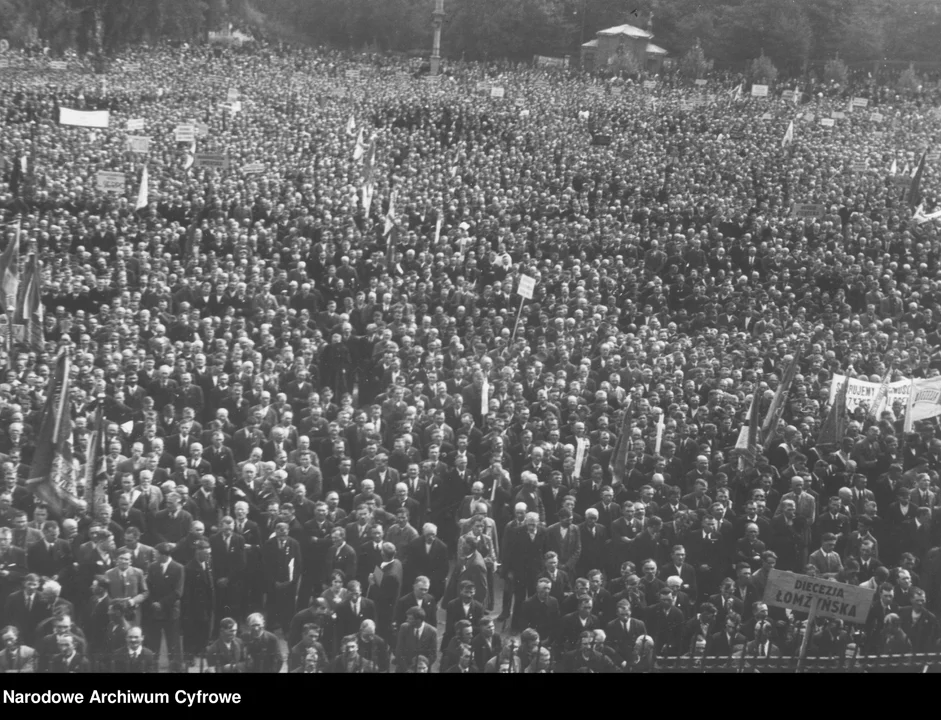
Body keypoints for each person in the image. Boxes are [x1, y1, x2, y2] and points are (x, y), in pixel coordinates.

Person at [142, 543, 183, 672]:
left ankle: (175, 669)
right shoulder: (152, 567)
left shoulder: (178, 568)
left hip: (171, 612)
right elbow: (148, 587)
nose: (154, 556)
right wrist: (154, 603)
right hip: (155, 611)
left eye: (156, 554)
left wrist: (162, 604)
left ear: (164, 555)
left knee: (173, 643)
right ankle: (152, 668)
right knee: (153, 642)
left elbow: (178, 592)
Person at [395, 606, 437, 672]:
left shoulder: (432, 631)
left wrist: (422, 667)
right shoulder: (404, 628)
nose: (407, 620)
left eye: (410, 619)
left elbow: (433, 654)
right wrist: (407, 669)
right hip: (404, 668)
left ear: (419, 620)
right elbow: (399, 651)